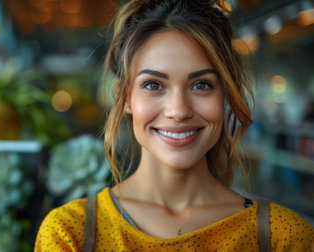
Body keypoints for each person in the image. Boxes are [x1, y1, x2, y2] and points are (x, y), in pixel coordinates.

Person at [34, 0, 314, 251]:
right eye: (153, 85)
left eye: (202, 85)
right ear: (124, 96)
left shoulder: (283, 237)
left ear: (227, 93)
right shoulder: (70, 233)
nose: (178, 111)